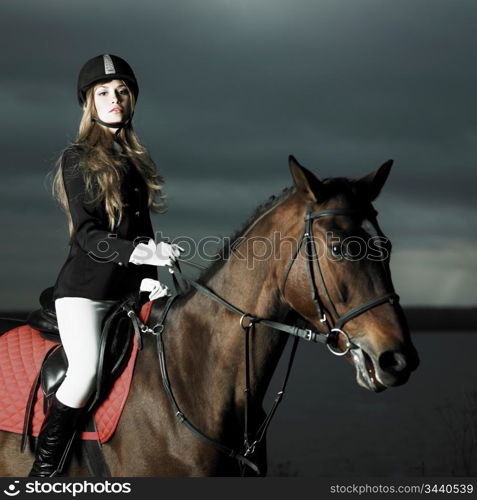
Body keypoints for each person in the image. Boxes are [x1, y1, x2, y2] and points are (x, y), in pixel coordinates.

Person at [29, 54, 182, 477]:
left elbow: (145, 232)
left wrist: (150, 280)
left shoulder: (136, 162)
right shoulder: (77, 157)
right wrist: (139, 254)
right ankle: (43, 472)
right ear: (89, 104)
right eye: (102, 93)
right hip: (85, 295)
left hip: (128, 294)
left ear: (130, 100)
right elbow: (89, 236)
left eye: (121, 92)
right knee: (86, 373)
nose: (113, 99)